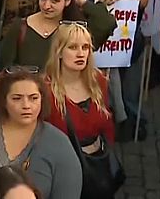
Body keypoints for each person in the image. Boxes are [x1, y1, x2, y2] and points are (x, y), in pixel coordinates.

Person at [0, 67, 82, 199]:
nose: (26, 105)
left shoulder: (60, 144)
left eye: (33, 98)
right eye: (17, 98)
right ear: (3, 100)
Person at [44, 25, 116, 191]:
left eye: (85, 47)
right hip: (62, 171)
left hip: (98, 167)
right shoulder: (45, 91)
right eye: (72, 47)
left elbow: (108, 125)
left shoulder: (99, 81)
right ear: (59, 52)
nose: (80, 53)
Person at [0, 0, 116, 69]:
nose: (46, 6)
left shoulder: (73, 31)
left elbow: (107, 23)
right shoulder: (20, 27)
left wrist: (83, 2)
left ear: (67, 1)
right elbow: (5, 69)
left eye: (54, 0)